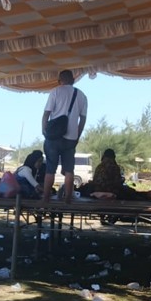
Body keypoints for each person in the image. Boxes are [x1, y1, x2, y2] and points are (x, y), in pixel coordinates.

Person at [41, 70, 88, 203]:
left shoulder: (55, 91)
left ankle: (46, 198)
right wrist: (77, 135)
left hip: (54, 137)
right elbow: (83, 119)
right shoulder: (82, 95)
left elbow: (46, 114)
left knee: (50, 168)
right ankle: (68, 198)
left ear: (59, 80)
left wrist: (44, 131)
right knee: (69, 170)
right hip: (71, 138)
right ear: (73, 80)